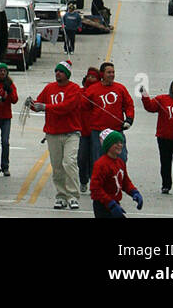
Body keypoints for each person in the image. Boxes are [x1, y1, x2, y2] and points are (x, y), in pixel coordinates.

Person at [31, 58, 83, 210]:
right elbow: (39, 104)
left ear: (67, 74)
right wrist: (32, 104)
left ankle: (73, 196)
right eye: (56, 71)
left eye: (61, 71)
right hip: (52, 133)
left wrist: (45, 107)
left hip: (71, 133)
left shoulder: (74, 89)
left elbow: (66, 107)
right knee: (57, 166)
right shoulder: (49, 88)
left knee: (70, 162)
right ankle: (61, 196)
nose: (57, 74)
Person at [86, 61, 134, 162]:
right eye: (109, 72)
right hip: (98, 132)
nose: (112, 75)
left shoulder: (120, 88)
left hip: (116, 131)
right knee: (99, 160)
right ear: (102, 74)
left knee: (121, 158)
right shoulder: (92, 89)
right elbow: (83, 106)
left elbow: (129, 105)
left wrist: (129, 119)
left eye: (113, 72)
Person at [90, 130, 144, 219]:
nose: (120, 145)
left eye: (121, 142)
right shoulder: (101, 164)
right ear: (108, 145)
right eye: (116, 143)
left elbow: (125, 181)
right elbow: (95, 188)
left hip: (115, 203)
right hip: (102, 205)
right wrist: (110, 203)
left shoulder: (120, 162)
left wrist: (134, 192)